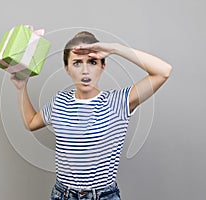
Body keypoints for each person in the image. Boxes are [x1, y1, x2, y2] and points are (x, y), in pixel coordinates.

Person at [10, 31, 172, 200]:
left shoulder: (118, 102)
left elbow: (163, 71)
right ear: (67, 68)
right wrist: (21, 87)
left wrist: (115, 48)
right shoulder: (59, 102)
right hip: (62, 195)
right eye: (77, 63)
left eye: (92, 62)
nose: (85, 71)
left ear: (103, 66)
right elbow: (30, 122)